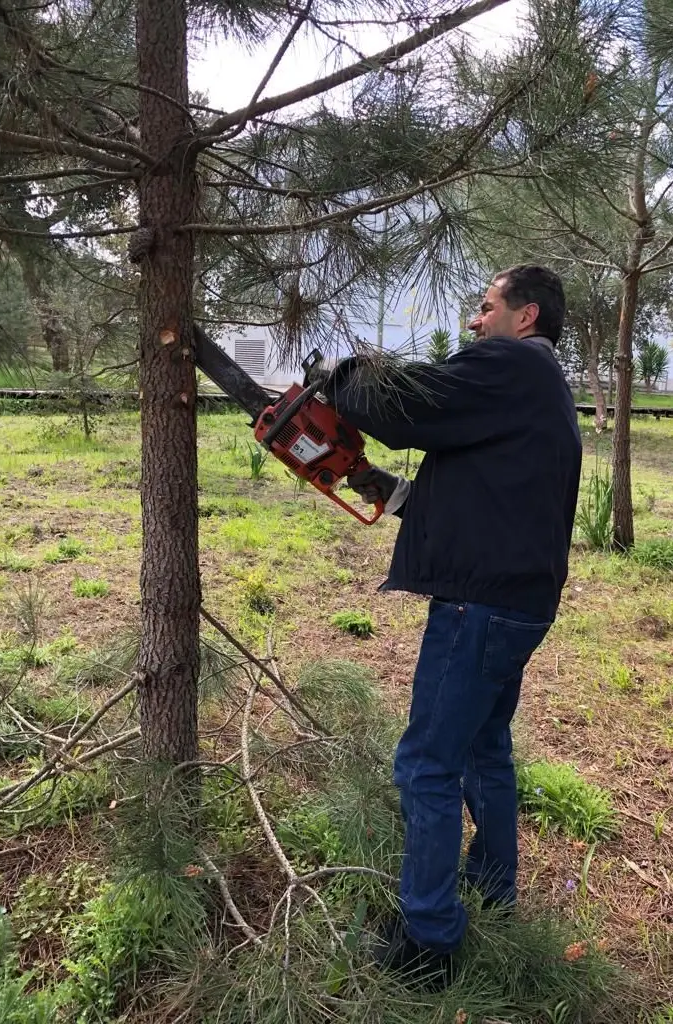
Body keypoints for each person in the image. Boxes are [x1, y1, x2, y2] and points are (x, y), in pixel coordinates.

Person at [319, 264, 582, 987]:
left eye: (485, 306)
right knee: (484, 751)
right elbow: (490, 492)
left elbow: (411, 411)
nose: (474, 321)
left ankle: (429, 942)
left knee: (426, 764)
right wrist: (392, 492)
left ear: (524, 316)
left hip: (479, 608)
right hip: (517, 603)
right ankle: (493, 892)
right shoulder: (535, 384)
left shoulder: (509, 362)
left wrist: (339, 376)